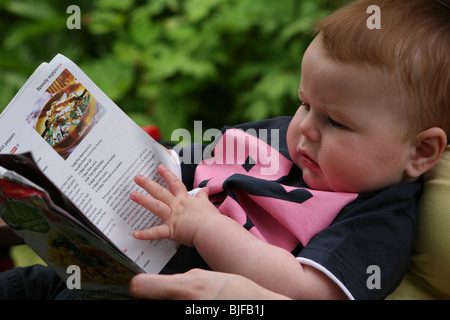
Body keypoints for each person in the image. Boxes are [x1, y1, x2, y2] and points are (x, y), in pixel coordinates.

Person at [1, 0, 448, 300]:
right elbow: (177, 166)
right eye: (305, 103)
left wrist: (207, 230)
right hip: (113, 262)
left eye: (337, 122)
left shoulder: (378, 214)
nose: (306, 129)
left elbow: (308, 290)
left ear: (422, 152)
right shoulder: (277, 139)